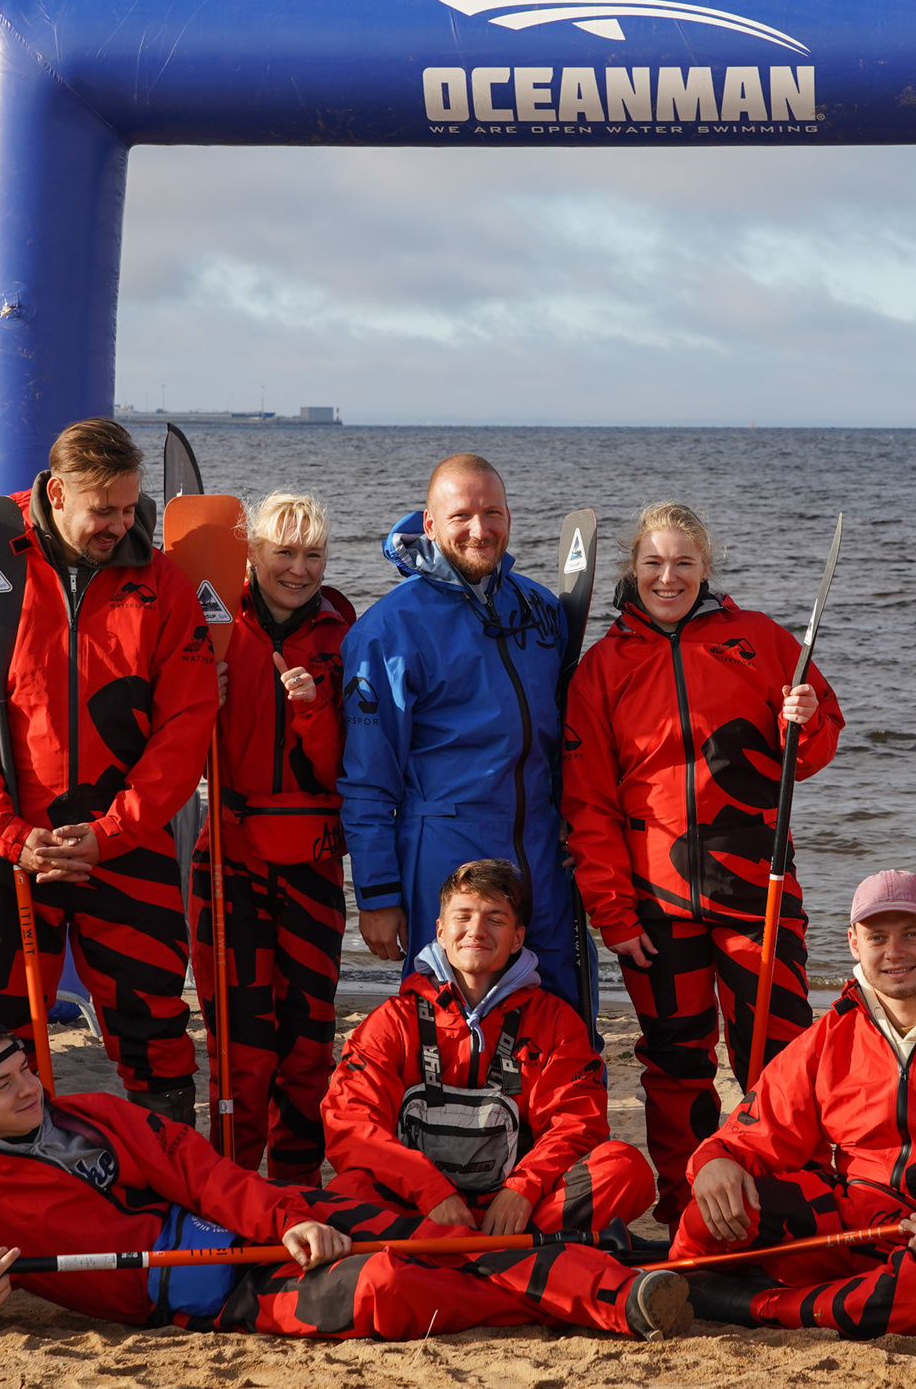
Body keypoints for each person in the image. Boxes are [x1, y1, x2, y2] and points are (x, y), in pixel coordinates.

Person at [0, 1018, 690, 1341]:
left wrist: (286, 1218)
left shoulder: (94, 1111)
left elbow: (202, 1170)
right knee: (390, 1287)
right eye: (3, 1084)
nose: (29, 1087)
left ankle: (621, 1294)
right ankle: (590, 1277)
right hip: (218, 1296)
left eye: (25, 1068)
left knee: (443, 1242)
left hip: (274, 1219)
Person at [0, 418, 219, 1121]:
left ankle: (165, 1172)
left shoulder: (162, 583)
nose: (121, 524)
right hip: (12, 846)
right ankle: (20, 1176)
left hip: (126, 843)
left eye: (130, 508)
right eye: (104, 510)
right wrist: (8, 832)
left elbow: (186, 727)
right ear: (57, 494)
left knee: (155, 1027)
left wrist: (113, 832)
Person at [562, 501, 845, 1225]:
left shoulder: (759, 639)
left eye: (684, 563)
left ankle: (789, 1201)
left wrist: (806, 720)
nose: (669, 577)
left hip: (759, 891)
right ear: (631, 567)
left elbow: (813, 752)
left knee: (777, 1057)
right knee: (676, 1061)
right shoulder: (603, 667)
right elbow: (588, 803)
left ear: (706, 567)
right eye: (654, 563)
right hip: (656, 904)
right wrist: (613, 913)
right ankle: (688, 1208)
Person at [670, 871, 916, 1338]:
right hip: (838, 1228)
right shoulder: (830, 1036)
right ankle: (695, 1286)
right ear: (854, 943)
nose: (894, 952)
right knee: (710, 1210)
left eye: (911, 934)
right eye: (877, 937)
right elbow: (754, 1134)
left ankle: (751, 1304)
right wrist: (715, 1160)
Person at [340, 454, 588, 1011]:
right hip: (447, 848)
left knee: (560, 1008)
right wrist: (377, 894)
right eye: (462, 516)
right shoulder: (388, 630)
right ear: (430, 525)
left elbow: (568, 734)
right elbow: (367, 779)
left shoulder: (540, 610)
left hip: (542, 849)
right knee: (451, 1016)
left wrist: (580, 826)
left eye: (493, 513)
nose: (481, 529)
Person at [324, 860, 654, 1234]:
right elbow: (351, 1122)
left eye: (495, 919)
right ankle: (502, 1258)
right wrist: (430, 1191)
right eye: (462, 917)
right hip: (419, 1204)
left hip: (518, 1211)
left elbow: (577, 1123)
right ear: (440, 931)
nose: (477, 931)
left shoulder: (555, 1021)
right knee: (345, 1191)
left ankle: (468, 1254)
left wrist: (524, 1187)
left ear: (517, 938)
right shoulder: (393, 1021)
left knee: (624, 1169)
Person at [195, 490, 353, 1181]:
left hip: (312, 857)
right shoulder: (215, 625)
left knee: (308, 1038)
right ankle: (231, 1184)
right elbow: (175, 754)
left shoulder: (343, 634)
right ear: (252, 554)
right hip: (228, 854)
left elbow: (350, 769)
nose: (299, 568)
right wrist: (199, 700)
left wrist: (315, 711)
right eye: (283, 552)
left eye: (313, 554)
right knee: (239, 1042)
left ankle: (296, 1182)